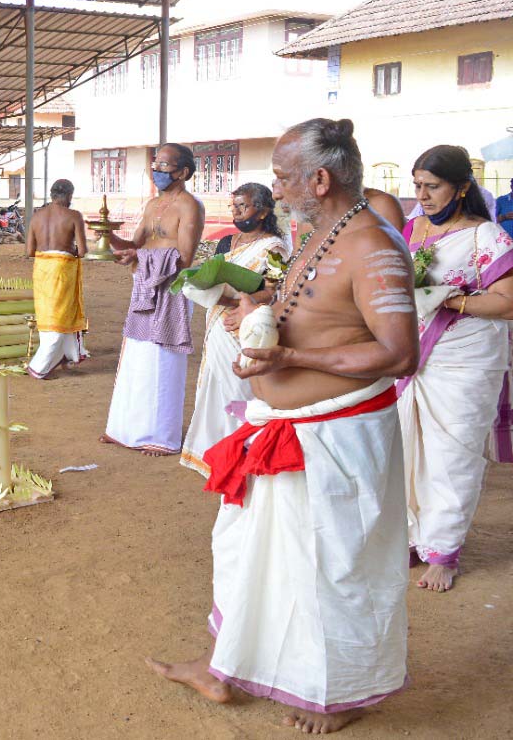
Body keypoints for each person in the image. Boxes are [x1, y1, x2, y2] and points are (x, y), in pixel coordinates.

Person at [147, 118, 418, 734]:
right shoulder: (324, 232)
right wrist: (256, 309)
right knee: (248, 554)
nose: (275, 188)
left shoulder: (372, 246)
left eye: (282, 176)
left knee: (331, 567)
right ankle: (224, 666)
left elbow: (401, 353)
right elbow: (317, 312)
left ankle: (343, 694)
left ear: (319, 180)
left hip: (334, 438)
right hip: (285, 429)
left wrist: (291, 356)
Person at [398, 145, 513, 592]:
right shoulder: (412, 229)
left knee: (452, 454)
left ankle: (444, 552)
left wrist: (451, 300)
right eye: (417, 186)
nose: (422, 196)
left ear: (462, 187)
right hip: (413, 355)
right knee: (407, 446)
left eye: (432, 186)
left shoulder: (487, 236)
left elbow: (508, 304)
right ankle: (413, 536)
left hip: (466, 359)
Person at [101, 143, 205, 456]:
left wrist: (141, 256)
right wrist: (106, 234)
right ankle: (124, 429)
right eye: (155, 164)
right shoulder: (152, 205)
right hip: (145, 285)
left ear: (182, 172)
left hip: (171, 289)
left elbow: (184, 258)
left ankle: (162, 436)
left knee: (162, 361)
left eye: (163, 165)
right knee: (136, 357)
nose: (156, 170)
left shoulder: (190, 206)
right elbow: (134, 245)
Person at [179, 183, 287, 476]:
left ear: (263, 212)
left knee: (239, 387)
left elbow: (274, 292)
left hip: (244, 326)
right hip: (218, 322)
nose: (237, 212)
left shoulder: (275, 248)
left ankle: (246, 454)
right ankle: (218, 454)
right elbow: (211, 274)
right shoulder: (227, 242)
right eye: (234, 206)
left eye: (244, 206)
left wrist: (234, 301)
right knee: (216, 386)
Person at [25, 179, 88, 378]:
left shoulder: (37, 216)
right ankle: (40, 367)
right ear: (69, 195)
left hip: (42, 270)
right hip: (62, 269)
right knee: (60, 315)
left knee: (48, 314)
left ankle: (65, 355)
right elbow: (83, 251)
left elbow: (29, 251)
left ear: (52, 195)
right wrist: (67, 250)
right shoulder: (74, 216)